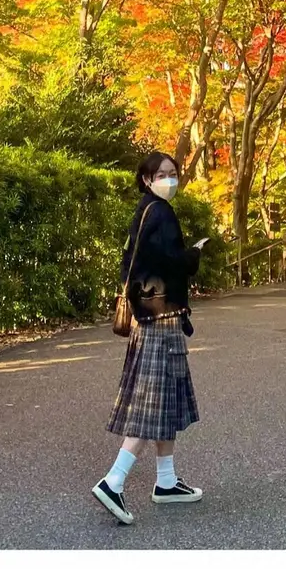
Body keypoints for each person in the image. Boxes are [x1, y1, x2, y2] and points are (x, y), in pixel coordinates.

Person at [92, 151, 208, 526]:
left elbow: (132, 265)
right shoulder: (161, 213)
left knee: (167, 399)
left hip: (148, 315)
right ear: (146, 179)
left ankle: (167, 481)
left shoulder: (143, 212)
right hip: (162, 318)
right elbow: (173, 261)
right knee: (153, 401)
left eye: (173, 173)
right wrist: (194, 255)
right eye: (161, 174)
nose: (169, 180)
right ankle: (114, 480)